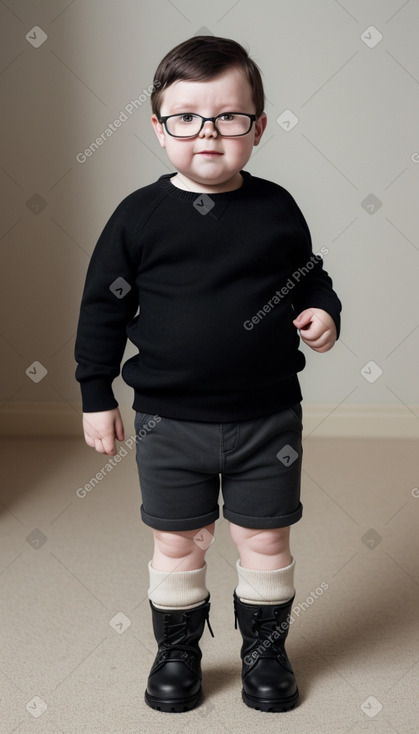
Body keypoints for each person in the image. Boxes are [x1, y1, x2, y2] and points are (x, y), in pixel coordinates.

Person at [75, 35, 341, 714]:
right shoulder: (139, 216)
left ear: (257, 126)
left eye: (228, 117)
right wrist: (96, 393)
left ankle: (263, 653)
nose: (208, 134)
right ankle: (178, 653)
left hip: (267, 417)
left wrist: (319, 310)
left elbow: (310, 279)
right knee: (178, 539)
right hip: (169, 421)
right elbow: (100, 311)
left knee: (264, 537)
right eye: (187, 117)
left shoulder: (275, 208)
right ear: (158, 127)